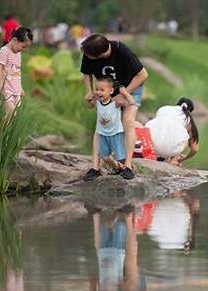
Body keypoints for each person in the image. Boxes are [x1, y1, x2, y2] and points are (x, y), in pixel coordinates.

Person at [80, 34, 148, 180]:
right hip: (105, 91)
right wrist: (90, 92)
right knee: (100, 125)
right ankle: (95, 167)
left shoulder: (121, 50)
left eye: (90, 56)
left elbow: (142, 75)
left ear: (101, 54)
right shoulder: (90, 51)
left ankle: (128, 166)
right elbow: (86, 73)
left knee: (128, 122)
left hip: (131, 88)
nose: (87, 57)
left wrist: (124, 93)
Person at [84, 76, 135, 181]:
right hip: (102, 133)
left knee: (120, 157)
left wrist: (124, 93)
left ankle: (128, 168)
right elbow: (89, 106)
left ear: (111, 91)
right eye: (97, 89)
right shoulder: (98, 102)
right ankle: (118, 168)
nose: (99, 92)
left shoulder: (115, 102)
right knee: (104, 156)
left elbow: (131, 102)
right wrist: (89, 98)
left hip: (116, 133)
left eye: (102, 90)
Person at [145, 97, 199, 166]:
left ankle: (159, 157)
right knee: (184, 136)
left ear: (177, 104)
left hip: (150, 145)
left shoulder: (163, 109)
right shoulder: (188, 118)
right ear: (189, 111)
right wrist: (183, 158)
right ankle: (173, 161)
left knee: (162, 132)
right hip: (169, 149)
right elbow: (194, 149)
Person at [0, 27, 33, 114]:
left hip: (15, 89)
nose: (23, 50)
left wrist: (20, 88)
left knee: (11, 115)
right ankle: (1, 128)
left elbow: (17, 71)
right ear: (15, 40)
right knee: (10, 112)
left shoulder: (17, 53)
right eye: (22, 46)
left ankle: (4, 127)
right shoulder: (4, 51)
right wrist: (1, 88)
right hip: (6, 89)